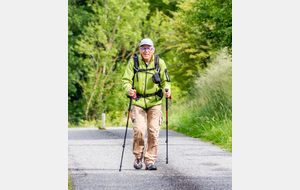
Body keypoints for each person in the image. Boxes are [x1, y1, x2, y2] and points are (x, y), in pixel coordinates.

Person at [122, 38, 171, 170]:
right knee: (139, 129)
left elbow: (166, 81)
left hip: (155, 102)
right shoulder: (134, 62)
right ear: (140, 50)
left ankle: (149, 160)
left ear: (153, 49)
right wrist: (128, 89)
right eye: (143, 48)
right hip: (138, 102)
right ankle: (138, 157)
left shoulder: (159, 62)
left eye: (148, 48)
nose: (146, 51)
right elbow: (126, 80)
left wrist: (167, 90)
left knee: (153, 131)